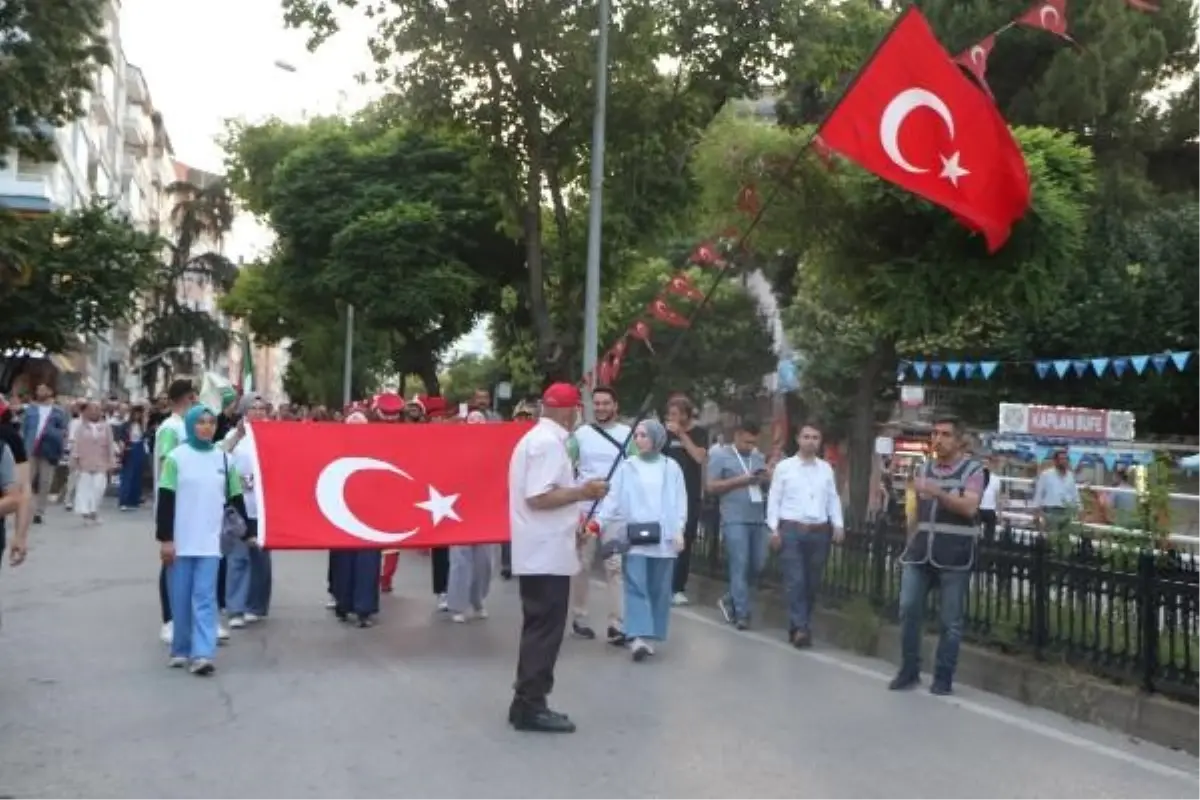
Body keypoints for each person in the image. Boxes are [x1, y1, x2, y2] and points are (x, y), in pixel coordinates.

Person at [507, 383, 608, 733]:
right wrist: (583, 492)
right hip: (544, 552)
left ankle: (524, 700)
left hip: (543, 547)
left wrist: (573, 524)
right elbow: (539, 496)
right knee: (545, 629)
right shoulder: (547, 444)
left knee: (539, 626)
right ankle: (532, 704)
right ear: (569, 411)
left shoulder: (537, 440)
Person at [890, 414, 984, 696]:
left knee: (950, 621)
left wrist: (938, 493)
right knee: (908, 609)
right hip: (920, 553)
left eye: (945, 435)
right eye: (935, 434)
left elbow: (969, 507)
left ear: (959, 440)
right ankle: (909, 670)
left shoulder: (974, 471)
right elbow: (914, 511)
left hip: (954, 555)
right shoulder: (924, 468)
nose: (938, 440)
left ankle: (943, 677)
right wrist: (908, 542)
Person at [156, 404, 250, 675]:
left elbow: (235, 500)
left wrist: (250, 533)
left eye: (210, 422)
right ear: (191, 425)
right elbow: (166, 501)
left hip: (211, 542)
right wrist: (165, 539)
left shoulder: (224, 460)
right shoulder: (176, 458)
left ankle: (202, 653)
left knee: (205, 597)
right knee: (181, 597)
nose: (206, 427)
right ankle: (181, 648)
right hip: (181, 540)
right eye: (201, 422)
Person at [596, 419, 687, 661]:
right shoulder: (627, 467)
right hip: (635, 536)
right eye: (636, 435)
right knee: (636, 586)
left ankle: (650, 636)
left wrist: (678, 530)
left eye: (643, 435)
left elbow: (680, 501)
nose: (638, 439)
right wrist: (599, 522)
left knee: (659, 589)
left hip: (664, 539)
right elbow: (613, 499)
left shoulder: (672, 467)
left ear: (657, 438)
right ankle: (637, 636)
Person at [766, 422, 844, 648]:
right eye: (807, 436)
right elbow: (775, 498)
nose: (811, 441)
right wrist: (774, 528)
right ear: (799, 440)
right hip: (792, 529)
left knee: (811, 583)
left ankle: (798, 625)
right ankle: (801, 627)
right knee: (795, 580)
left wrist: (838, 524)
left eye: (815, 437)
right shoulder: (785, 468)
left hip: (818, 531)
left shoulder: (826, 469)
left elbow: (832, 497)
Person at [566, 385, 633, 643]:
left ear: (615, 405)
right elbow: (566, 465)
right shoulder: (580, 434)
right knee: (581, 565)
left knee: (614, 567)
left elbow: (634, 470)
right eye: (598, 403)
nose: (602, 408)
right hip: (586, 510)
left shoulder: (628, 435)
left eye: (607, 403)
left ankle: (617, 623)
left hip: (616, 511)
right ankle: (579, 617)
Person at [708, 418, 771, 630]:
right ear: (736, 436)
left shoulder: (758, 458)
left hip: (757, 518)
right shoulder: (720, 456)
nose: (750, 447)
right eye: (746, 442)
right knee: (740, 563)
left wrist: (766, 477)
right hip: (734, 518)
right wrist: (740, 481)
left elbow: (764, 485)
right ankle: (742, 614)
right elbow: (711, 486)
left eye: (753, 443)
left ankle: (730, 599)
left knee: (758, 563)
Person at [329, 410, 383, 627]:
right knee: (343, 560)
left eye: (361, 425)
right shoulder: (335, 449)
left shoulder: (377, 450)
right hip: (342, 512)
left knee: (368, 562)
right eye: (353, 425)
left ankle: (364, 609)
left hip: (370, 515)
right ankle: (343, 603)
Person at [446, 411, 495, 623]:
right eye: (472, 418)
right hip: (459, 508)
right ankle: (457, 605)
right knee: (460, 559)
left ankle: (478, 599)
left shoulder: (495, 447)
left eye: (480, 419)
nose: (476, 422)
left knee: (484, 561)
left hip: (485, 509)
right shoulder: (455, 446)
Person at [663, 396, 708, 605]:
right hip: (666, 493)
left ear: (685, 415)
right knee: (664, 536)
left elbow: (699, 456)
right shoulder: (664, 435)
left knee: (685, 539)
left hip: (689, 493)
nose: (671, 418)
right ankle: (662, 583)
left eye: (675, 414)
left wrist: (681, 434)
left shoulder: (699, 433)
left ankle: (678, 586)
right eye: (669, 414)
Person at [21, 383, 69, 524]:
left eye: (42, 389)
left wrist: (59, 444)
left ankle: (40, 511)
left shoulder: (59, 412)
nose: (39, 391)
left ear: (50, 391)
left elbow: (64, 431)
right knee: (27, 480)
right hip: (31, 448)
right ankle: (25, 507)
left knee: (45, 481)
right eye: (38, 389)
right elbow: (24, 429)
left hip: (49, 450)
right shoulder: (31, 409)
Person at [70, 401, 116, 524]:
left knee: (98, 488)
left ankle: (94, 511)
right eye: (91, 409)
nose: (94, 412)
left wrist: (112, 461)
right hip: (85, 462)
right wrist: (75, 460)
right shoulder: (81, 427)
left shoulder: (106, 427)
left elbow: (110, 445)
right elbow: (76, 444)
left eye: (97, 409)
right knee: (84, 488)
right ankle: (85, 514)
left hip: (101, 462)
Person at [0, 397, 32, 568]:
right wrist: (20, 536)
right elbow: (24, 490)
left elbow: (20, 492)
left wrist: (20, 536)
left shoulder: (7, 439)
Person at [116, 405, 148, 510]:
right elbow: (120, 438)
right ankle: (123, 500)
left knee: (137, 475)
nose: (138, 415)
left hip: (139, 448)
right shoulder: (125, 425)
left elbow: (145, 437)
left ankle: (134, 499)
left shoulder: (141, 425)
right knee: (127, 475)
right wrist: (123, 447)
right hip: (129, 448)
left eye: (140, 414)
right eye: (136, 413)